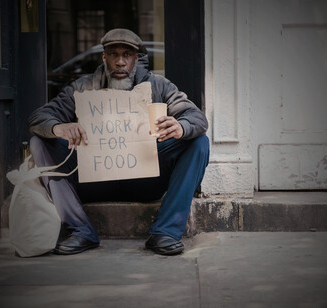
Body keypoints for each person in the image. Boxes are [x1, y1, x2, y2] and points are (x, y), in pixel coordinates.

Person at [28, 28, 209, 256]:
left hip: (145, 179)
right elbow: (38, 118)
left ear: (137, 59)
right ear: (104, 58)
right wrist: (58, 127)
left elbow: (197, 118)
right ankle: (80, 230)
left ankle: (165, 232)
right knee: (39, 142)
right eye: (113, 54)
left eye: (127, 55)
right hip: (93, 181)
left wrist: (180, 127)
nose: (120, 62)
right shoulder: (82, 87)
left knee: (198, 142)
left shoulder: (159, 86)